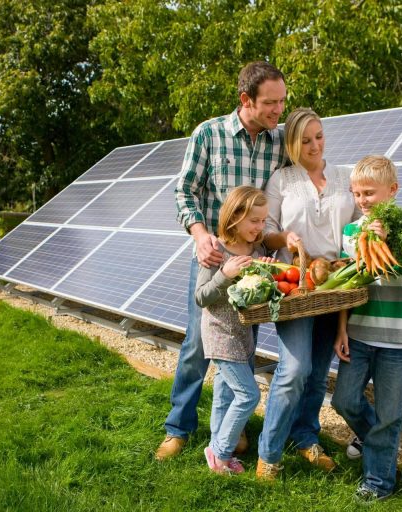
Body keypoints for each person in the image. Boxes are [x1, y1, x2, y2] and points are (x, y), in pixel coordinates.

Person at [156, 61, 288, 460]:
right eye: (270, 103)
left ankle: (232, 430)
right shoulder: (210, 134)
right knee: (198, 344)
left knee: (244, 342)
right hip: (214, 256)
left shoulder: (279, 143)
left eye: (282, 102)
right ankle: (179, 427)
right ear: (245, 99)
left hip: (254, 260)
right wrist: (199, 235)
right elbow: (185, 192)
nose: (278, 111)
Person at [256, 107, 361, 479]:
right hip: (297, 284)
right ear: (291, 144)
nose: (314, 145)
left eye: (319, 136)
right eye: (305, 140)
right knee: (294, 369)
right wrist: (284, 237)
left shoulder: (344, 177)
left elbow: (354, 229)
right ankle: (268, 452)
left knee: (317, 374)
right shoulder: (281, 180)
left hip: (332, 285)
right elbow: (266, 231)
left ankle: (305, 438)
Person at [331, 155, 402, 503]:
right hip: (359, 333)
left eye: (369, 192)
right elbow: (350, 286)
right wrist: (341, 329)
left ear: (392, 190)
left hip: (398, 339)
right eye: (356, 193)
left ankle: (378, 481)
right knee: (344, 400)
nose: (362, 200)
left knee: (389, 414)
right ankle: (374, 442)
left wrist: (388, 243)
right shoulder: (352, 233)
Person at [196, 186, 274, 474]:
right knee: (249, 395)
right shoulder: (217, 250)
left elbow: (255, 292)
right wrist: (224, 275)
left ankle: (218, 450)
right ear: (235, 217)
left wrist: (266, 272)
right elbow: (201, 296)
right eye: (254, 221)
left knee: (226, 394)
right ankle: (219, 452)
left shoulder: (258, 249)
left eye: (264, 220)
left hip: (243, 335)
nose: (260, 227)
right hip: (219, 334)